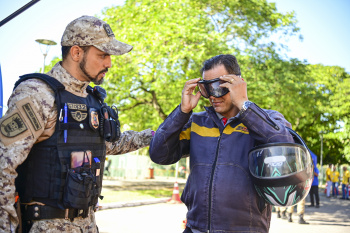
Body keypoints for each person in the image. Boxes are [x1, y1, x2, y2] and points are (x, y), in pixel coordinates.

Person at [0, 15, 153, 233]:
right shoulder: (37, 94)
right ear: (76, 52)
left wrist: (156, 135)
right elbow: (3, 166)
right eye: (102, 55)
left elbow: (109, 144)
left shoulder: (93, 100)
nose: (108, 63)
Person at [149, 54, 294, 233]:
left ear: (238, 83)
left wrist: (244, 106)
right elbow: (159, 153)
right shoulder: (196, 121)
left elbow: (286, 148)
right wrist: (182, 111)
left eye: (218, 87)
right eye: (206, 88)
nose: (212, 96)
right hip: (195, 228)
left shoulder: (267, 118)